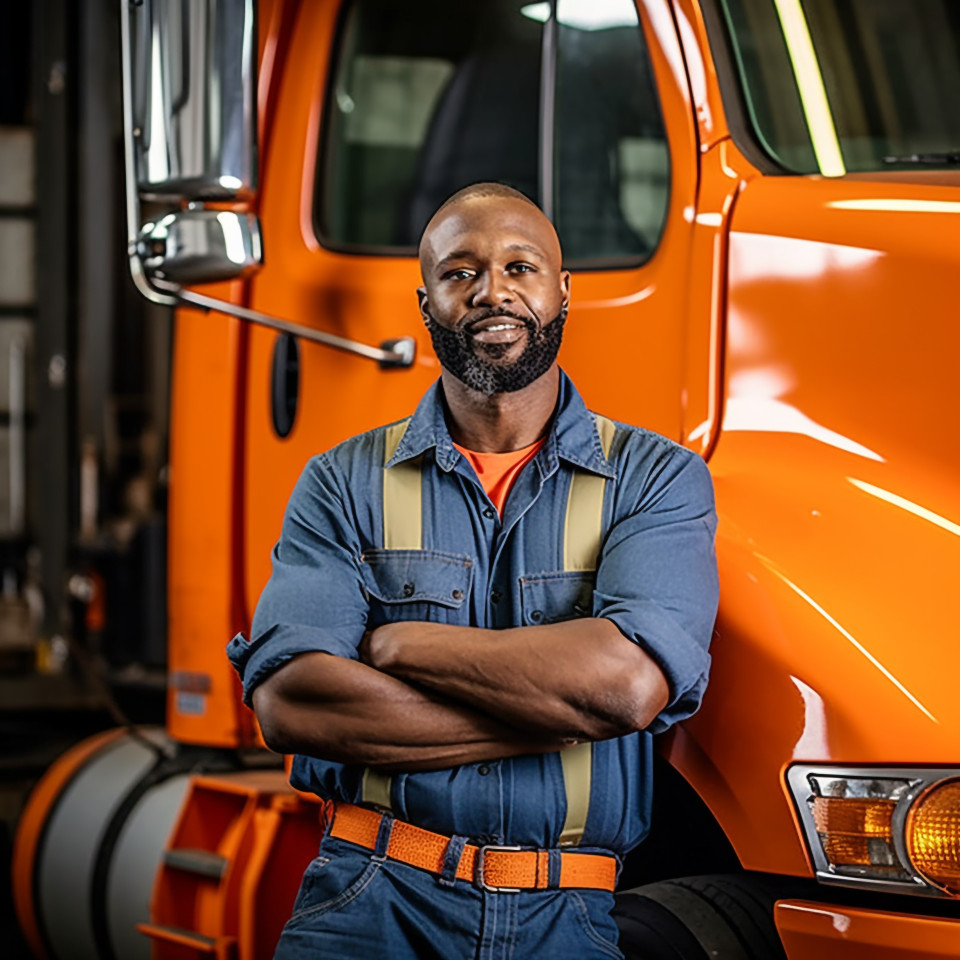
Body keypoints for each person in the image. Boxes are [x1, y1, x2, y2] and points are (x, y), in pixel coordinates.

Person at [227, 182, 718, 959]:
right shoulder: (342, 481)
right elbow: (292, 704)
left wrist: (398, 645)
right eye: (460, 272)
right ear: (426, 303)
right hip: (372, 896)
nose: (493, 291)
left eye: (521, 267)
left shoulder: (655, 478)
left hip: (567, 915)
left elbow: (626, 687)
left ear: (562, 292)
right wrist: (560, 720)